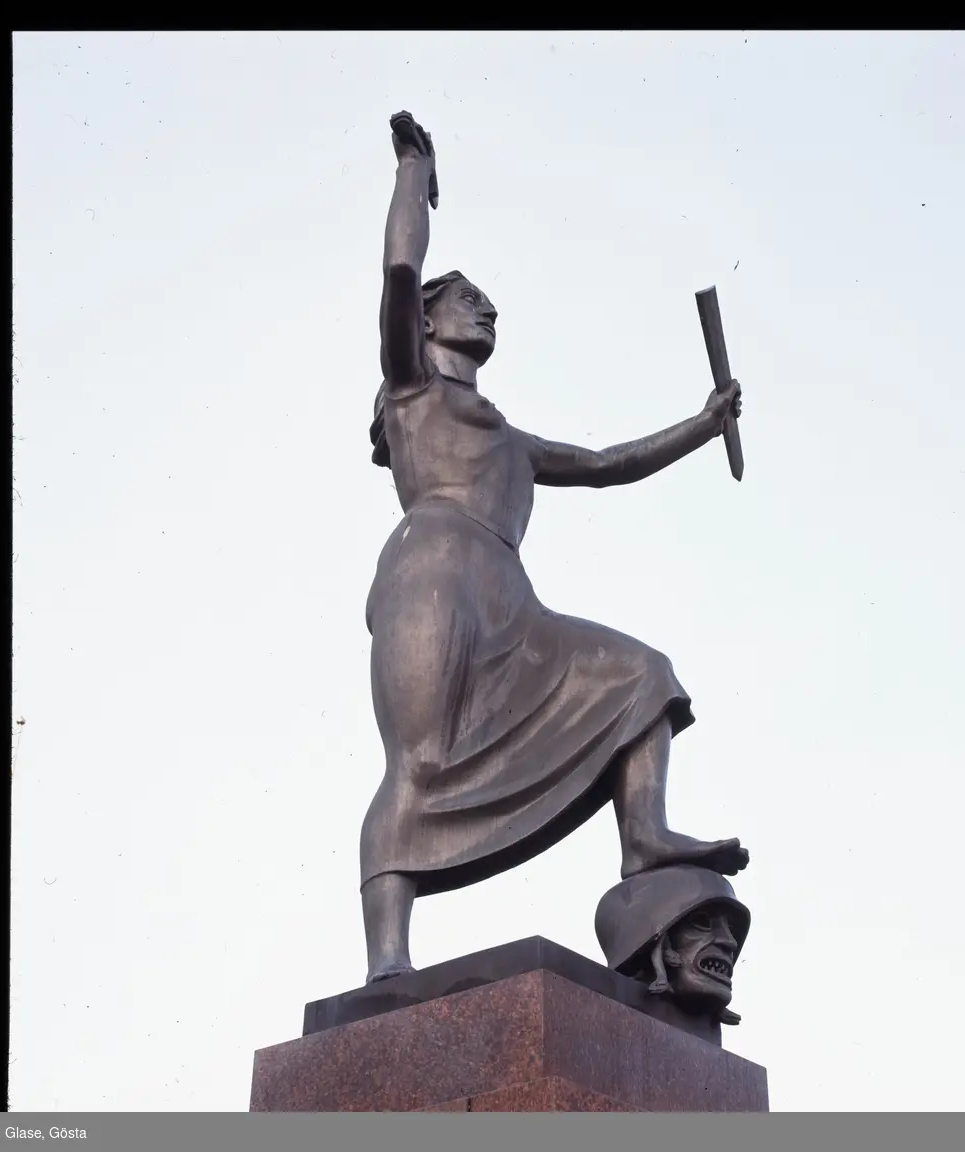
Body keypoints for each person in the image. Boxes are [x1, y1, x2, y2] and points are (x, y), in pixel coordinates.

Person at [360, 112, 748, 984]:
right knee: (419, 762)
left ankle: (643, 834)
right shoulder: (411, 387)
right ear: (425, 323)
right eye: (469, 299)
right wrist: (413, 176)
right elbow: (398, 267)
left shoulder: (510, 438)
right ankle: (388, 956)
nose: (488, 309)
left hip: (511, 598)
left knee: (641, 674)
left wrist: (703, 421)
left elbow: (608, 463)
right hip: (434, 581)